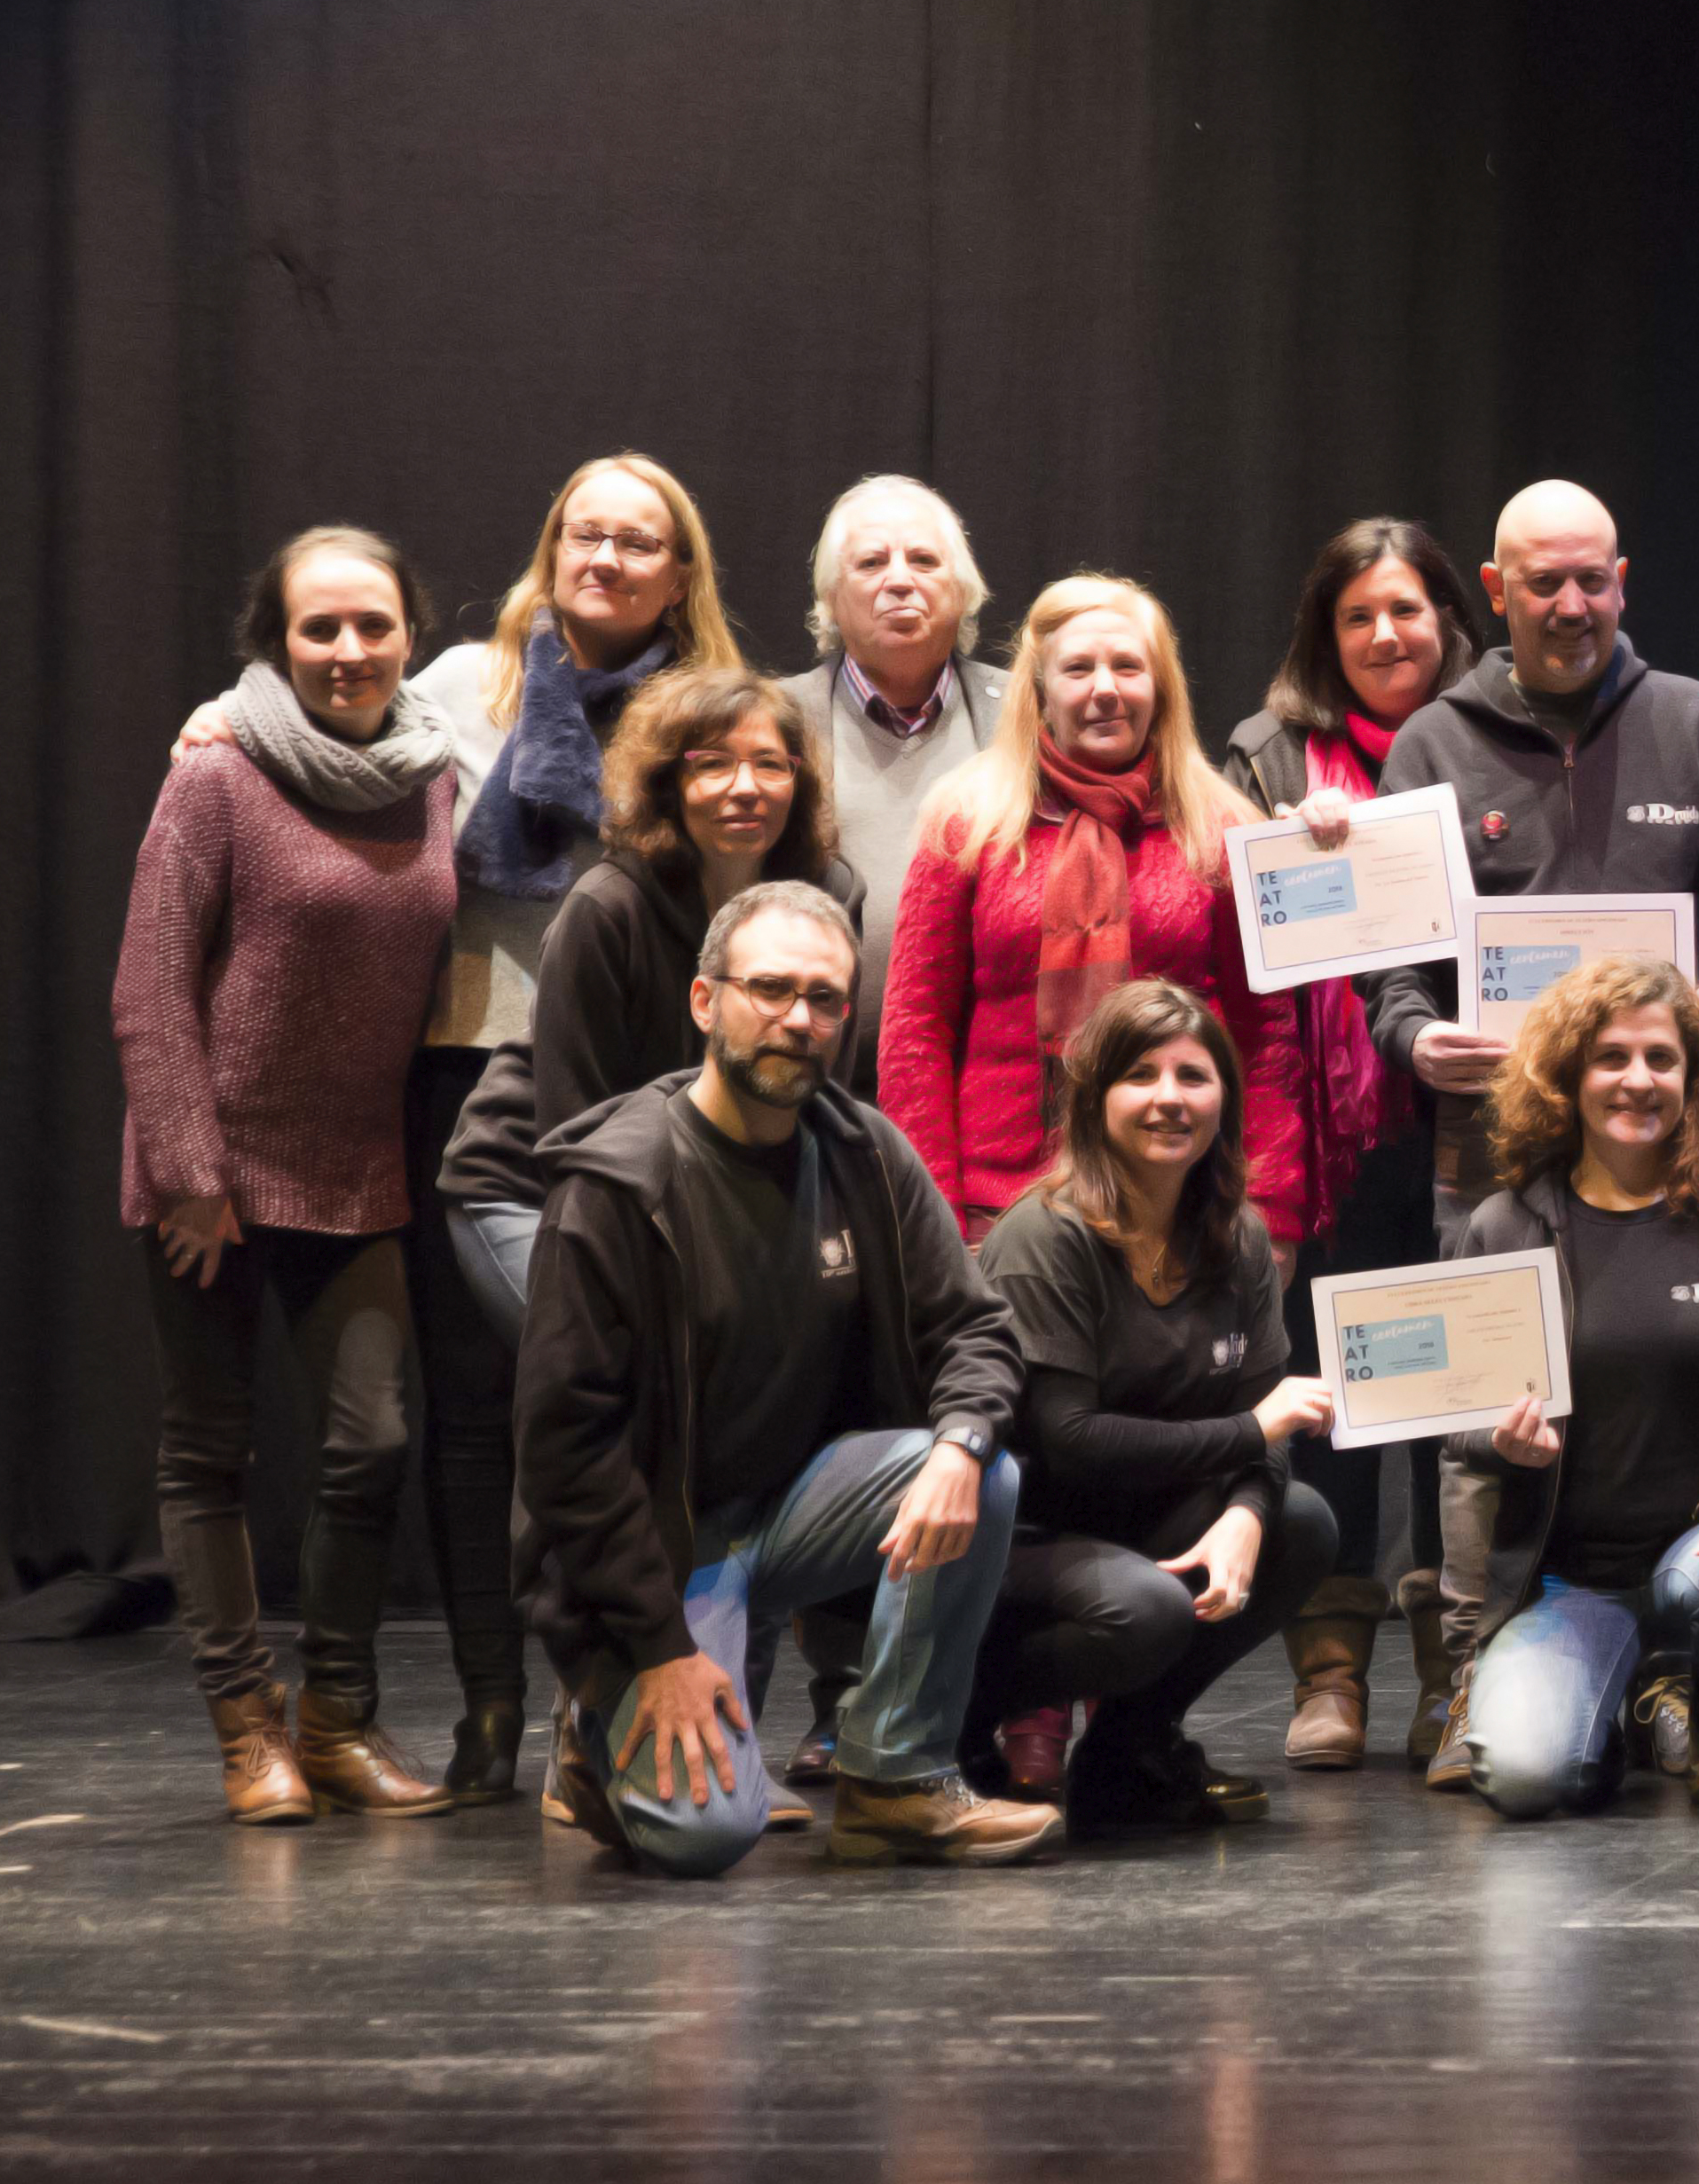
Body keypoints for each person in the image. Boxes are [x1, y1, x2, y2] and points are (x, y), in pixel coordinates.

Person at [185, 453, 749, 1799]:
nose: (605, 559)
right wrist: (217, 717)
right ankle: (492, 1707)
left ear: (682, 572)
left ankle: (597, 1700)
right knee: (474, 1412)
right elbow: (308, 742)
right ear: (552, 548)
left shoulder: (706, 711)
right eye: (584, 534)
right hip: (462, 1075)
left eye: (638, 541)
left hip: (641, 1083)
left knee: (634, 1399)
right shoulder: (456, 692)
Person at [1347, 482, 1699, 1746]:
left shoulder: (1695, 722)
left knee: (1674, 1389)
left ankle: (1669, 1654)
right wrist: (1408, 1032)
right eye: (1543, 583)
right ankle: (1464, 1677)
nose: (1571, 605)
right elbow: (1393, 959)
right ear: (1495, 592)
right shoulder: (1431, 742)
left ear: (1623, 582)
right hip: (1488, 1148)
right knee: (1481, 1422)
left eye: (1592, 580)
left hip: (1671, 1146)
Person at [510, 880, 1046, 1873]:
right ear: (706, 1001)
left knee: (983, 1462)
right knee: (706, 1834)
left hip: (795, 1511)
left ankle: (894, 1777)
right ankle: (594, 1731)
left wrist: (961, 1445)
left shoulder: (863, 1150)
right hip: (663, 1553)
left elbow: (976, 1327)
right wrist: (658, 1650)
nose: (800, 1020)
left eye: (826, 999)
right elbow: (566, 1453)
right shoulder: (617, 1187)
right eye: (771, 989)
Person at [424, 668, 864, 1803]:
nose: (743, 786)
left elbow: (810, 1100)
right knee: (629, 1400)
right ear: (668, 779)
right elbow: (576, 1134)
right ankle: (593, 1698)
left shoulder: (828, 890)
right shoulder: (609, 906)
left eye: (770, 762)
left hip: (700, 1199)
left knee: (747, 1401)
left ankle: (725, 1735)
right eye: (711, 762)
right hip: (534, 1190)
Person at [113, 528, 463, 1825]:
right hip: (209, 1164)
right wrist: (193, 1170)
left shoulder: (431, 772)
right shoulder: (217, 772)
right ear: (278, 643)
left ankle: (336, 1722)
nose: (349, 650)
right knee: (210, 1450)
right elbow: (148, 985)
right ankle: (243, 1726)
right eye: (320, 628)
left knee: (369, 1445)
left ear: (410, 635)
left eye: (372, 624)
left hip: (354, 1163)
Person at [1223, 518, 1498, 1771]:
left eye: (1408, 610)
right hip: (1325, 1128)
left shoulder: (1503, 737)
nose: (1388, 635)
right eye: (1358, 617)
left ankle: (1454, 1664)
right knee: (1331, 1393)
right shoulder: (1267, 755)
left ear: (1450, 618)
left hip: (1468, 1123)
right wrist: (1302, 847)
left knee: (1456, 1384)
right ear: (1322, 637)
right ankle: (1329, 1670)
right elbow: (1233, 936)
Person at [1435, 962, 1699, 1819]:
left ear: (1694, 1078)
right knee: (1528, 1779)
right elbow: (1455, 1417)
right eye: (1612, 1057)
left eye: (1662, 1058)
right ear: (1570, 1077)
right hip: (1569, 1579)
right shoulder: (1505, 1226)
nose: (1638, 1080)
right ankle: (1615, 1708)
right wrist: (1497, 1440)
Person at [965, 986, 1338, 1832]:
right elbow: (1069, 1441)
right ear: (1094, 1101)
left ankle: (1127, 1753)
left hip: (1139, 1517)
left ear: (1223, 1101)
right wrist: (1252, 1436)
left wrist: (1246, 1511)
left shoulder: (1237, 1234)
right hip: (1024, 1534)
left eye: (1193, 1076)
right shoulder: (1042, 1237)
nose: (1170, 1097)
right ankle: (954, 1715)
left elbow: (1269, 1413)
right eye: (1140, 1075)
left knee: (1299, 1522)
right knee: (1147, 1610)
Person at [880, 573, 1312, 1255]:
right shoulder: (966, 821)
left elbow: (1269, 1035)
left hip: (1187, 1200)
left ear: (1160, 687)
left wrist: (1271, 1212)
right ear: (1039, 691)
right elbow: (914, 1029)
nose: (1104, 688)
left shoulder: (1222, 827)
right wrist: (929, 1219)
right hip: (996, 1210)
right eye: (1078, 668)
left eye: (1127, 666)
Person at [780, 472, 1007, 1072]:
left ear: (962, 592)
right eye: (872, 562)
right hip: (814, 1083)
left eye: (925, 561)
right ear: (829, 597)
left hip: (987, 1084)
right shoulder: (773, 720)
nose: (900, 580)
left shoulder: (1028, 717)